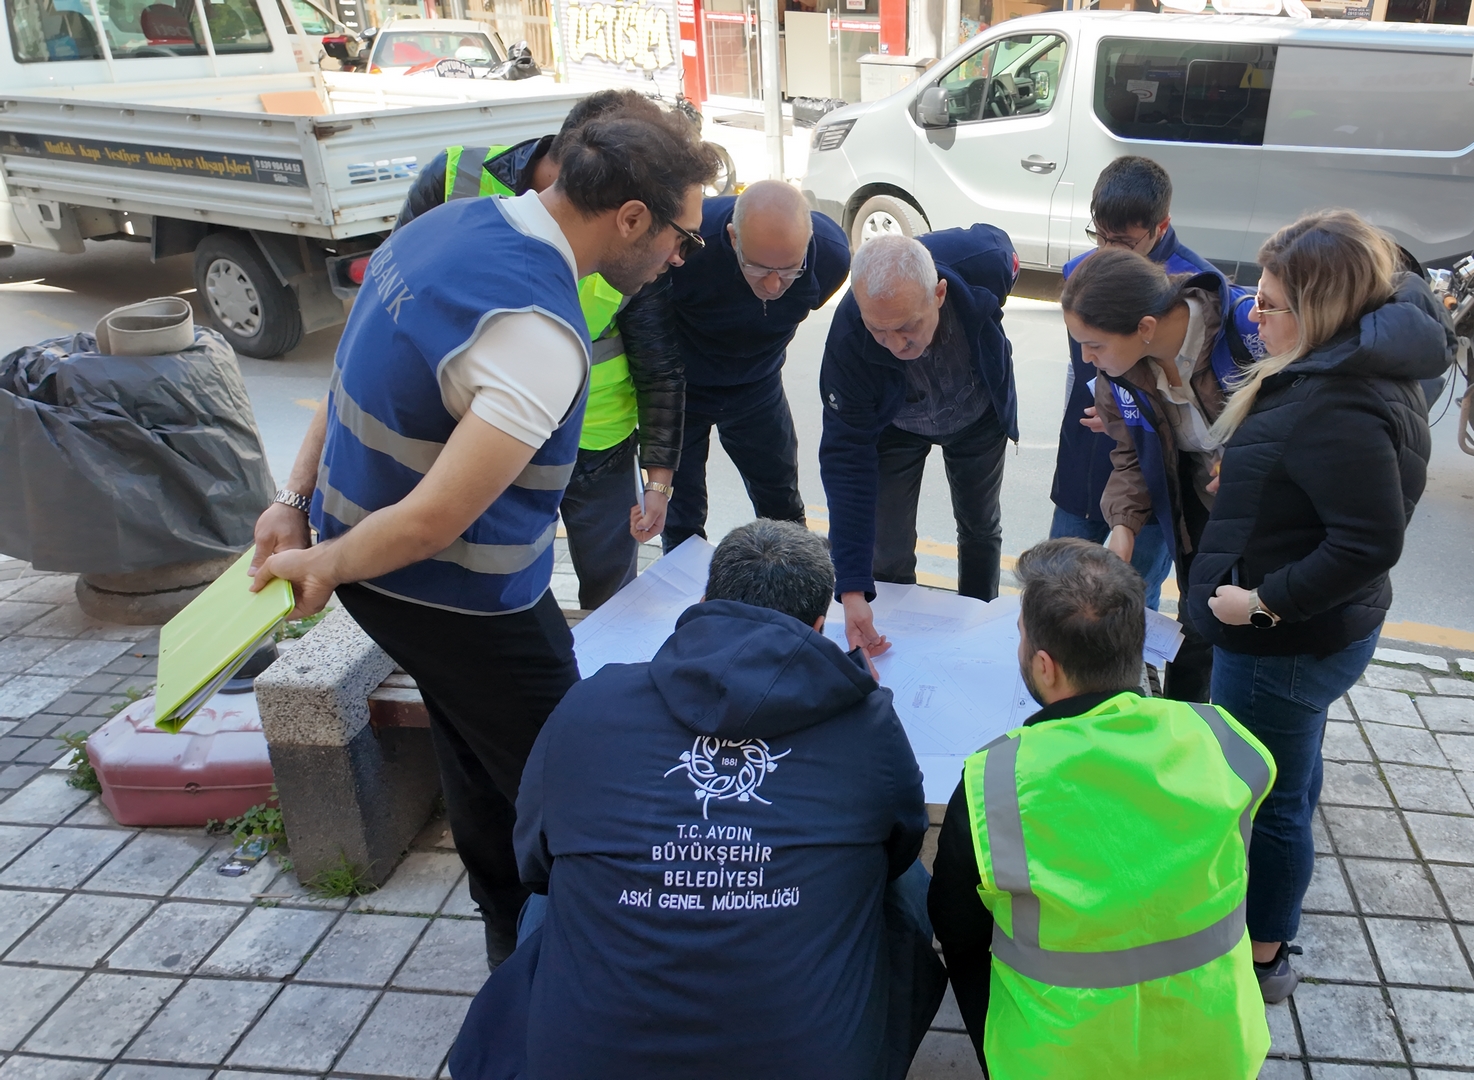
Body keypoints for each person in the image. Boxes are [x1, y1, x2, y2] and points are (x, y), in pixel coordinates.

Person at [249, 104, 720, 966]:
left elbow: (345, 366)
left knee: (469, 748)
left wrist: (294, 501)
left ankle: (506, 929)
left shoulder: (451, 223)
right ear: (630, 219)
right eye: (681, 238)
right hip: (456, 597)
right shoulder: (537, 331)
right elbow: (435, 518)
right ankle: (604, 966)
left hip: (376, 572)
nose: (677, 258)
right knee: (563, 784)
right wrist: (316, 558)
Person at [449, 520, 942, 1080]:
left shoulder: (592, 702)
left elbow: (534, 859)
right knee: (903, 882)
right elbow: (902, 843)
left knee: (552, 892)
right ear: (819, 626)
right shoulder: (868, 720)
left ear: (705, 602)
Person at [1186, 210, 1450, 1003]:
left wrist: (1258, 606)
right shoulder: (1348, 364)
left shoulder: (1338, 400)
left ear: (1324, 312)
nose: (1252, 318)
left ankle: (1264, 955)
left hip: (1284, 644)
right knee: (1288, 782)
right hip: (1319, 632)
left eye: (1269, 306)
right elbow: (1328, 494)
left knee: (1267, 805)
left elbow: (1367, 542)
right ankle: (1268, 929)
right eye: (1254, 300)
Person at [926, 538, 1276, 1079]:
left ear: (1045, 666)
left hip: (1060, 1064)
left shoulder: (992, 783)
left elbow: (957, 929)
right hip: (1219, 1051)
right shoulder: (1219, 739)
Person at [393, 88, 686, 608]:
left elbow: (659, 363)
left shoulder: (636, 243)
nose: (676, 253)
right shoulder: (456, 182)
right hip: (479, 436)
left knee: (612, 595)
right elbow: (396, 305)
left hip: (596, 445)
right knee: (500, 586)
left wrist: (658, 480)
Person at [1059, 246, 1258, 702]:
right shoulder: (1121, 374)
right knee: (1198, 623)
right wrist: (1124, 529)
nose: (1087, 359)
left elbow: (1310, 419)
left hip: (1268, 524)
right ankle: (1182, 726)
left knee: (1249, 652)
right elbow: (1131, 454)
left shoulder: (1247, 334)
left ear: (1145, 328)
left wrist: (1252, 462)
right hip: (1200, 515)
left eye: (1095, 344)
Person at [819, 228, 1018, 657]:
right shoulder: (848, 340)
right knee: (886, 542)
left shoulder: (985, 263)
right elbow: (845, 462)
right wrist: (852, 589)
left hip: (977, 413)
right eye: (879, 331)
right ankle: (894, 635)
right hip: (895, 425)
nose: (895, 345)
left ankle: (976, 627)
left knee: (980, 528)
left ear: (940, 294)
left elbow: (1001, 246)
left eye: (908, 327)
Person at [1050, 156, 1228, 612]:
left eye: (1124, 242)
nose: (1109, 253)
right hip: (1097, 446)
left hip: (1160, 464)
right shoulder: (1082, 276)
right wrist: (1091, 403)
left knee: (1131, 595)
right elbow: (1085, 367)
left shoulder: (1203, 301)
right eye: (1101, 237)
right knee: (1062, 580)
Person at [650, 180, 852, 551]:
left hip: (758, 386)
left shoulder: (832, 256)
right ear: (732, 238)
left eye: (789, 270)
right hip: (683, 389)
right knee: (681, 517)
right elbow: (648, 337)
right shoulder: (686, 245)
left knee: (783, 508)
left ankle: (794, 595)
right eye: (758, 269)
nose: (774, 285)